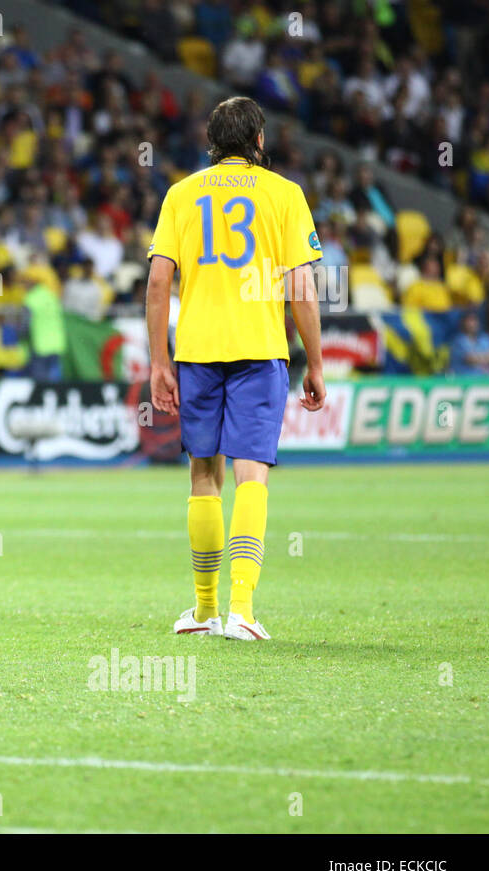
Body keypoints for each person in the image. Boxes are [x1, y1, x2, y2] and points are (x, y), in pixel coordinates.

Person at [146, 96, 326, 641]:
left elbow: (158, 283)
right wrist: (315, 361)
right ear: (260, 141)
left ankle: (204, 611)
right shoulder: (285, 194)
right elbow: (301, 287)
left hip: (197, 352)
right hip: (260, 348)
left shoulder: (181, 194)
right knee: (253, 473)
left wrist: (159, 360)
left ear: (211, 142)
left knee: (204, 475)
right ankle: (242, 611)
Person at [22, 264, 66, 383]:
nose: (23, 285)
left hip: (40, 344)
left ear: (32, 282)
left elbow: (25, 324)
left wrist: (21, 338)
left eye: (25, 281)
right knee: (54, 381)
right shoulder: (51, 296)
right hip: (57, 343)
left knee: (40, 383)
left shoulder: (30, 298)